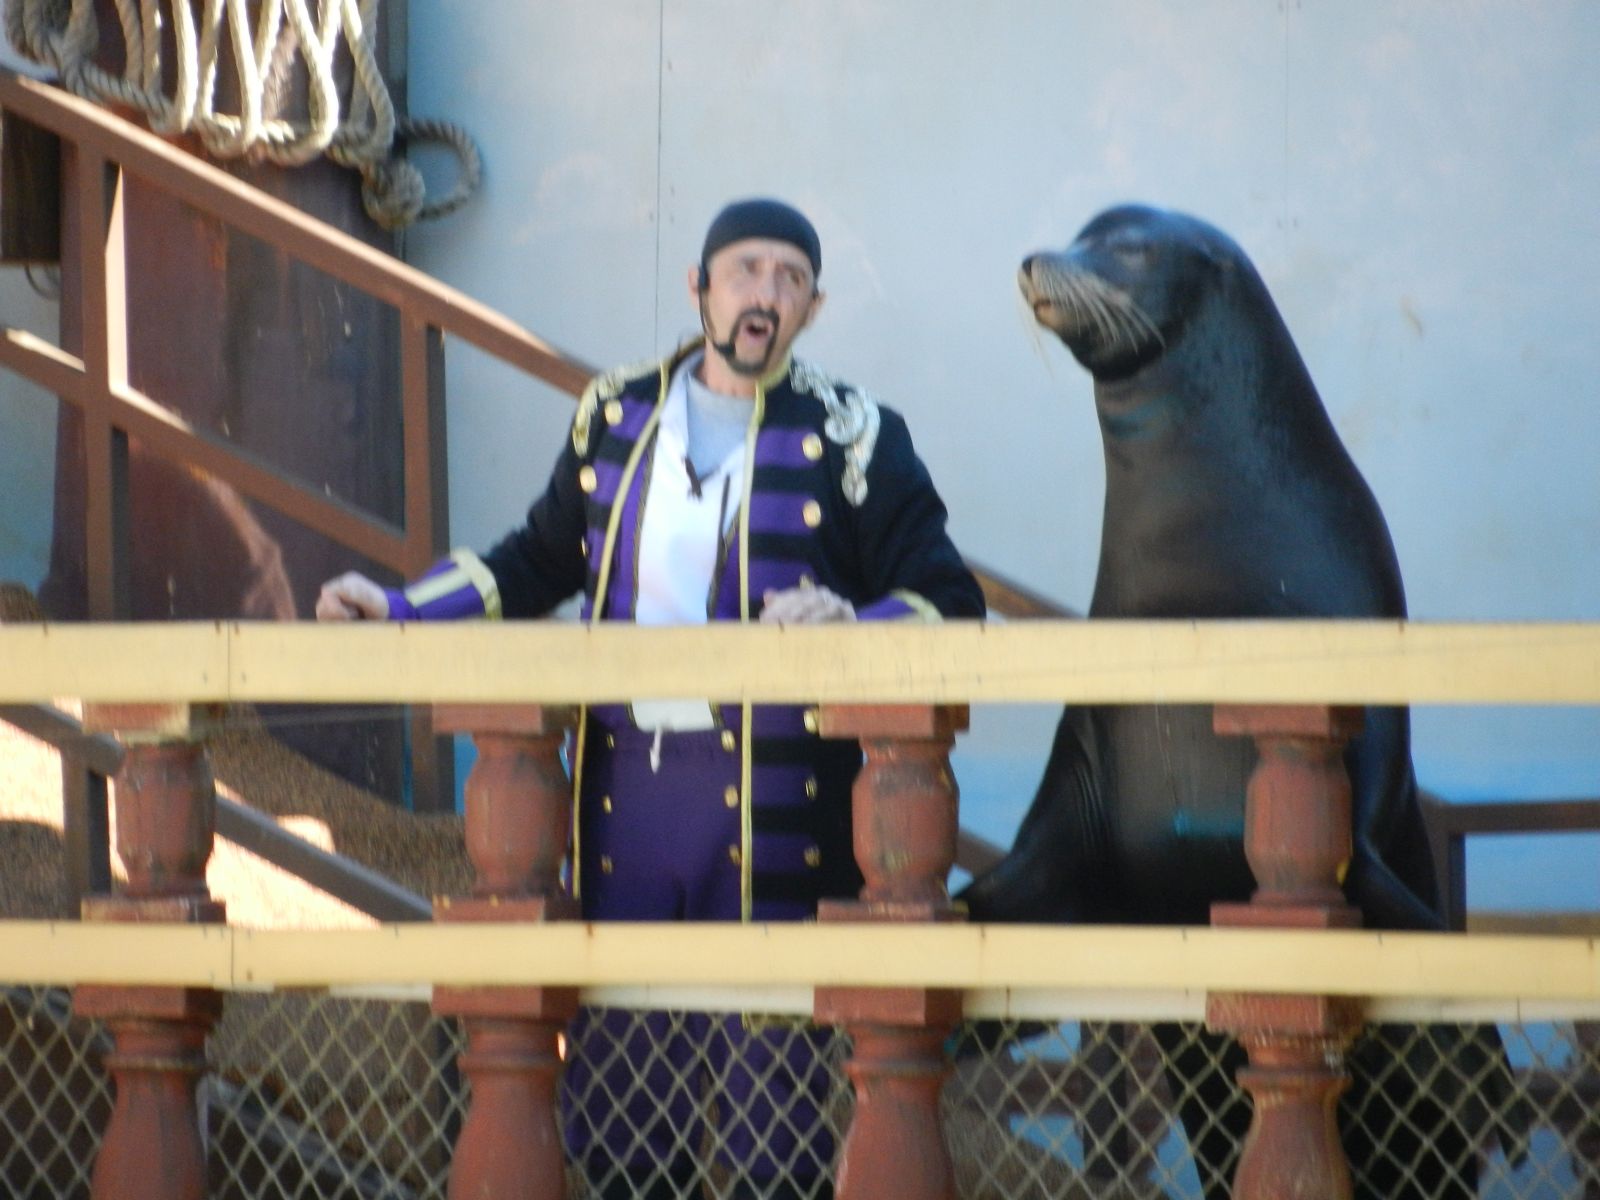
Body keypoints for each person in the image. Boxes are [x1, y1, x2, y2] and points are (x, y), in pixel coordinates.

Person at [318, 197, 985, 1199]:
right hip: (625, 788)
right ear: (699, 287)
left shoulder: (856, 433)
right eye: (746, 270)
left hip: (775, 796)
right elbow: (538, 558)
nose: (765, 293)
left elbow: (946, 596)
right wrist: (403, 607)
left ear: (812, 308)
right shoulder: (616, 412)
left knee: (771, 1114)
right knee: (628, 1093)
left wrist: (851, 620)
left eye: (790, 279)